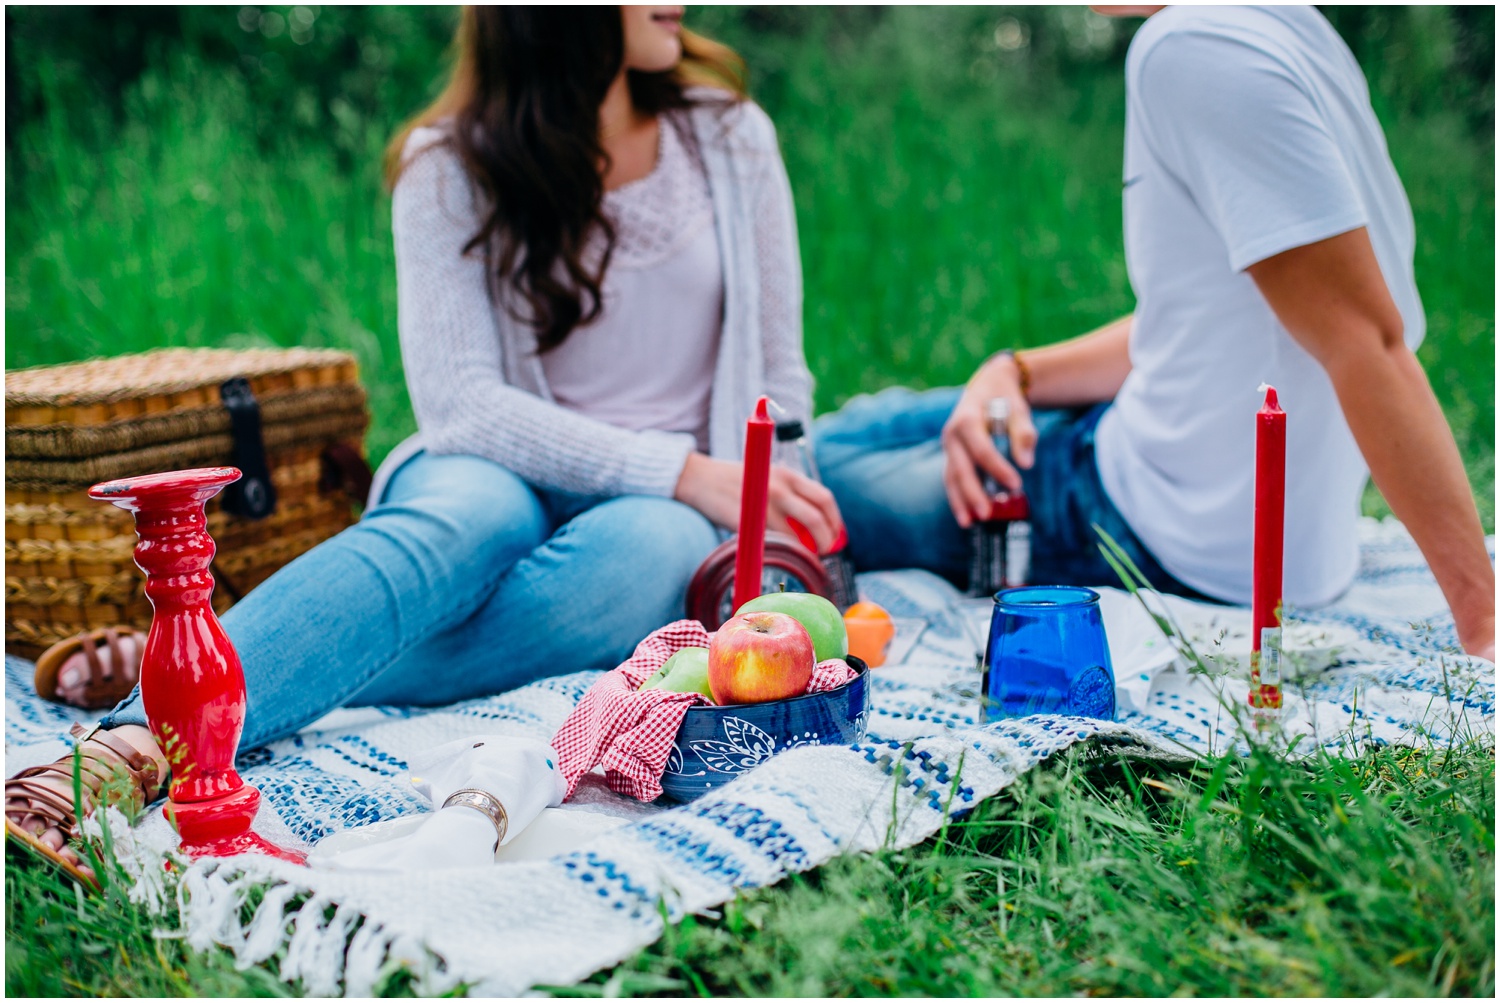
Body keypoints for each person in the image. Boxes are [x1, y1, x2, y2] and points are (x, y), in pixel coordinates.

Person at [5, 5, 844, 881]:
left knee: (652, 551)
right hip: (497, 462)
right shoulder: (447, 166)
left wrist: (754, 498)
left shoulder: (731, 137)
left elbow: (778, 372)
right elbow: (465, 407)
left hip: (670, 505)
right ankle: (122, 750)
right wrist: (682, 468)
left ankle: (207, 661)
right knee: (465, 517)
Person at [817, 5, 1495, 658]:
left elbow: (1367, 341)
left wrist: (1484, 622)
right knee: (858, 428)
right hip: (1153, 454)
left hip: (1150, 525)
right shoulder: (1287, 25)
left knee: (817, 470)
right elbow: (1220, 312)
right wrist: (1014, 371)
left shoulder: (1190, 47)